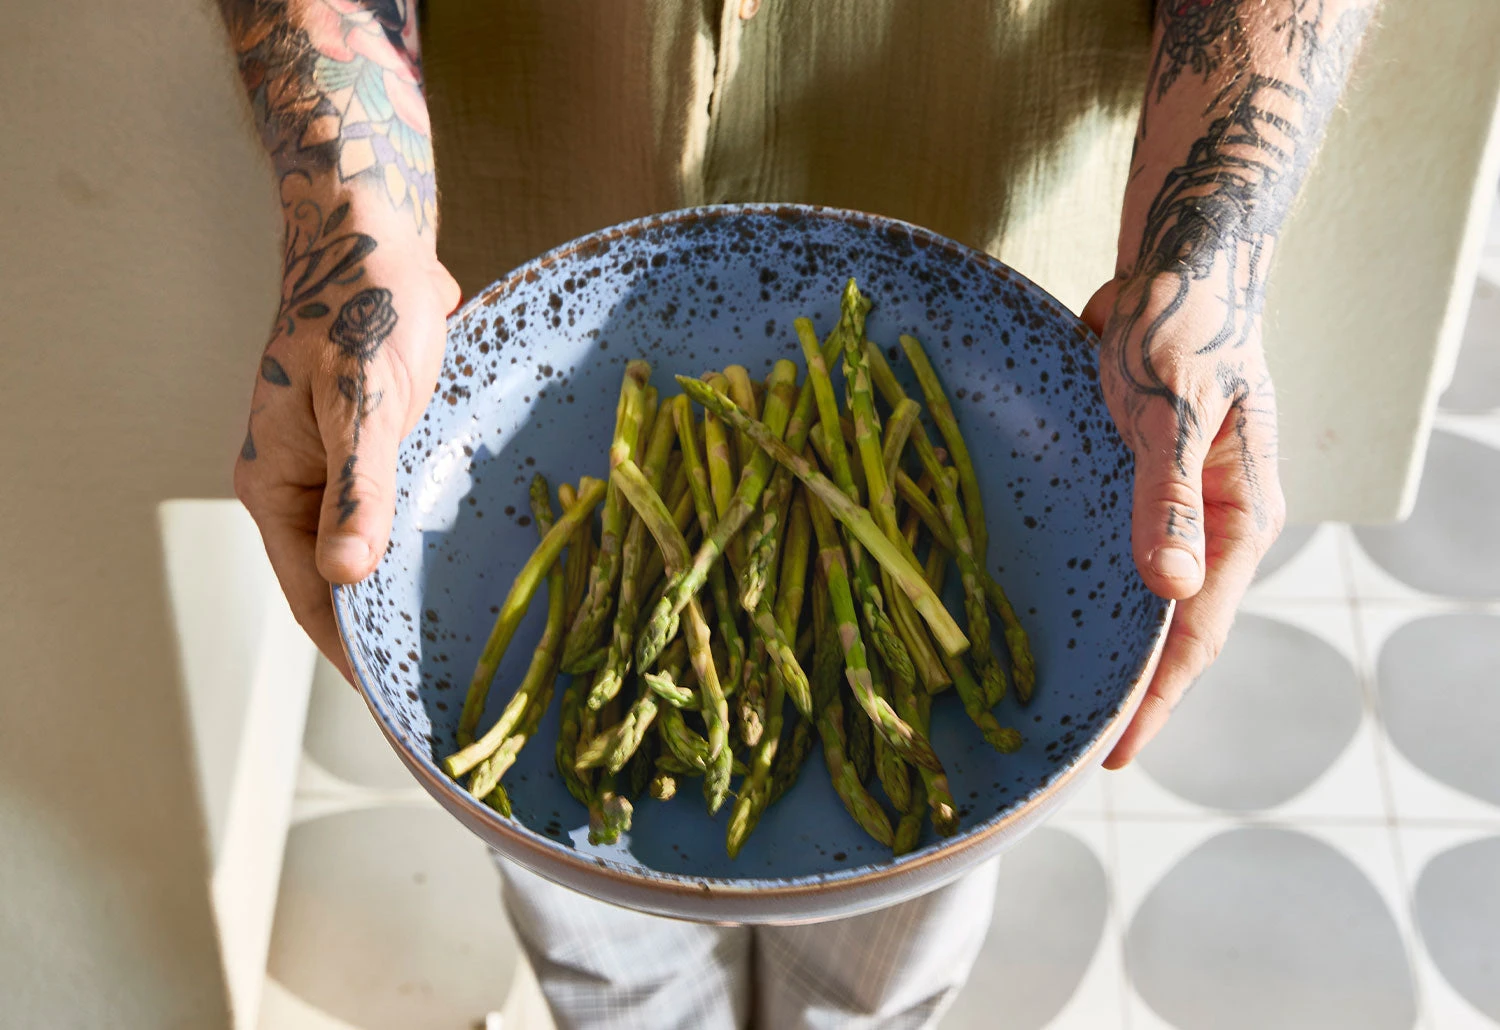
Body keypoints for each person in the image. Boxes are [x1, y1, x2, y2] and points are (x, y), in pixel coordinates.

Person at [218, 1, 1373, 1026]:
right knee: (596, 930)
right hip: (515, 305)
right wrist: (345, 235)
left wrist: (1204, 263)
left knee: (901, 909)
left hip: (993, 323)